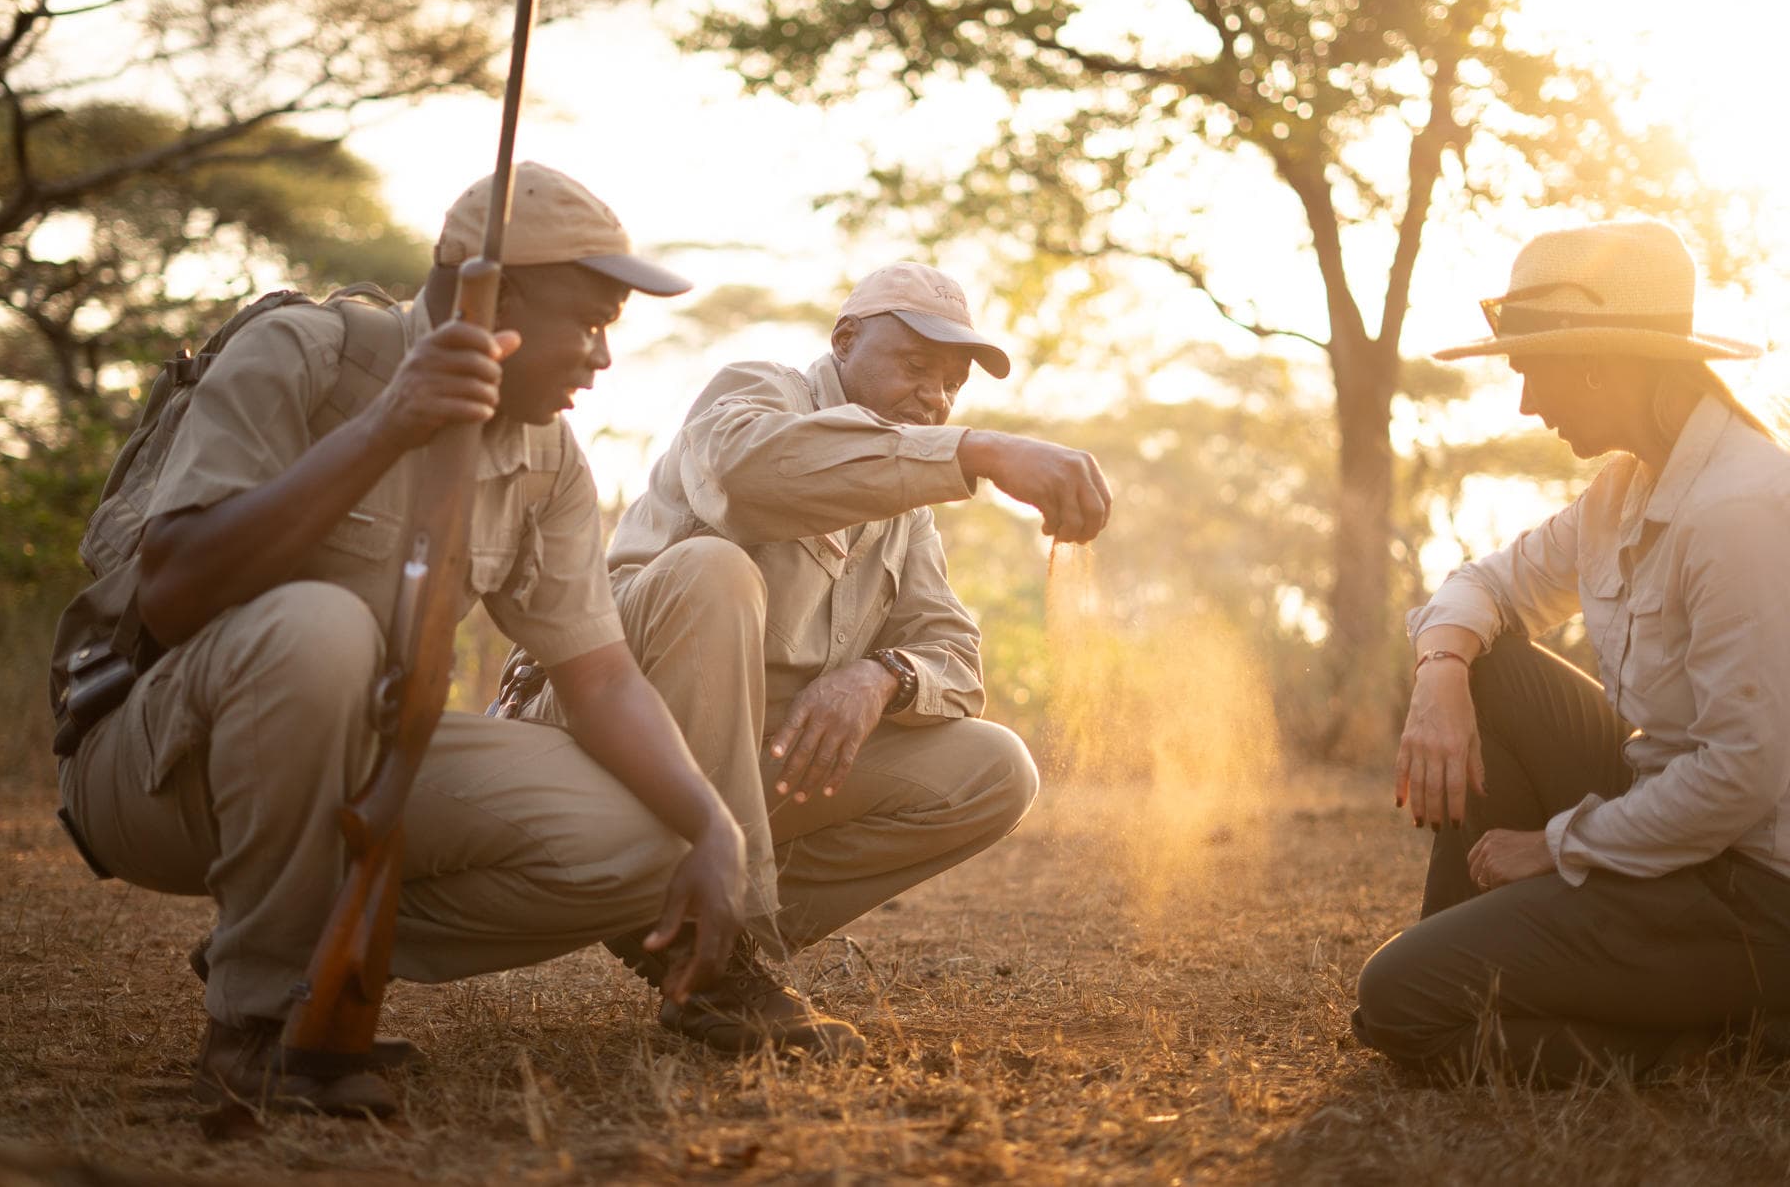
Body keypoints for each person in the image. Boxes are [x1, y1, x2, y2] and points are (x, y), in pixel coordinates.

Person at [54, 164, 749, 1117]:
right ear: (494, 296)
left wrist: (716, 825)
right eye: (588, 322)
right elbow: (173, 591)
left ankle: (298, 938)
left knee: (639, 840)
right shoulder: (300, 354)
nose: (601, 358)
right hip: (154, 768)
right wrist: (388, 425)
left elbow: (598, 672)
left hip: (355, 765)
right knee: (318, 625)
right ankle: (255, 1027)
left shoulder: (549, 454)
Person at [520, 260, 1113, 1057]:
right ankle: (721, 954)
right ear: (844, 341)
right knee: (713, 566)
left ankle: (692, 934)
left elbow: (955, 653)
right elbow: (747, 475)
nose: (933, 398)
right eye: (913, 366)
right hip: (601, 730)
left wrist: (882, 676)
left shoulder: (907, 506)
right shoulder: (755, 392)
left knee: (996, 766)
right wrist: (977, 451)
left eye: (952, 384)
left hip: (732, 774)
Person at [1354, 218, 1790, 1082]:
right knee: (1491, 663)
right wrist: (1439, 674)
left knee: (1402, 1003)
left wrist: (1559, 843)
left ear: (1598, 360)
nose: (1525, 403)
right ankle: (1464, 953)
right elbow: (1485, 583)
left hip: (1750, 894)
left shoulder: (1737, 508)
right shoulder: (1623, 490)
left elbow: (1742, 776)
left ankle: (1720, 1043)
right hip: (1666, 818)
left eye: (1527, 370)